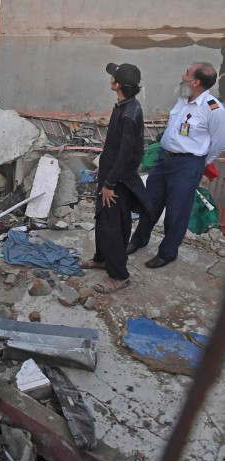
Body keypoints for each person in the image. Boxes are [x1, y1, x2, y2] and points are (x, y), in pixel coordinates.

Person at [129, 63, 225, 269]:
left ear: (196, 82)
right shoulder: (182, 98)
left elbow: (218, 142)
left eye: (187, 74)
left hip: (188, 164)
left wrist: (199, 163)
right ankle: (139, 240)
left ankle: (167, 253)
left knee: (177, 210)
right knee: (150, 202)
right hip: (165, 160)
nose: (182, 75)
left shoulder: (213, 109)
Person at [82, 64, 148, 294]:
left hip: (117, 181)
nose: (110, 78)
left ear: (117, 85)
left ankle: (119, 275)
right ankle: (101, 258)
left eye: (113, 76)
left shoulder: (129, 114)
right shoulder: (124, 106)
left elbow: (126, 154)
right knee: (102, 219)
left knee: (113, 226)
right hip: (110, 175)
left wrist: (110, 184)